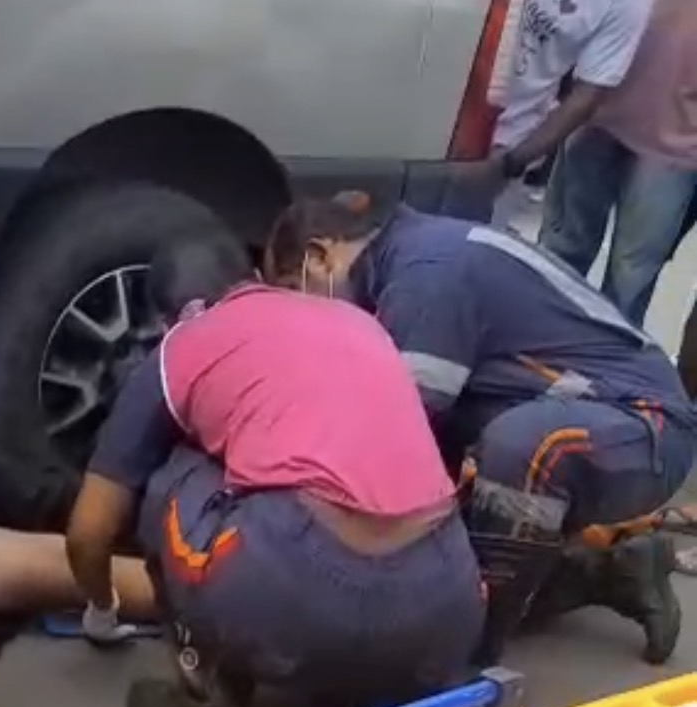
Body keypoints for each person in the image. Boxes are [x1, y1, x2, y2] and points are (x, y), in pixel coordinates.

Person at [65, 234, 485, 707]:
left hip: (298, 595)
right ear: (257, 280)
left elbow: (89, 532)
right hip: (448, 595)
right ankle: (404, 696)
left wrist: (102, 612)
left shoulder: (184, 345)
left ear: (171, 320)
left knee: (175, 470)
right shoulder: (356, 320)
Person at [282, 193, 696, 666]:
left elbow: (398, 420)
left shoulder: (428, 269)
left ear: (319, 256)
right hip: (567, 410)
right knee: (446, 563)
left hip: (645, 421)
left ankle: (472, 661)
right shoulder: (405, 264)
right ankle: (612, 573)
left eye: (293, 289)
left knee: (522, 449)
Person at [539, 0, 697, 326]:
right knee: (558, 256)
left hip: (676, 144)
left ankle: (602, 355)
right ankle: (533, 338)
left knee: (630, 280)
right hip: (594, 110)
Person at [483, 0, 651, 228]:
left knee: (466, 241)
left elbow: (587, 96)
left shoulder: (628, 5)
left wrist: (510, 163)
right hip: (442, 109)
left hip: (505, 143)